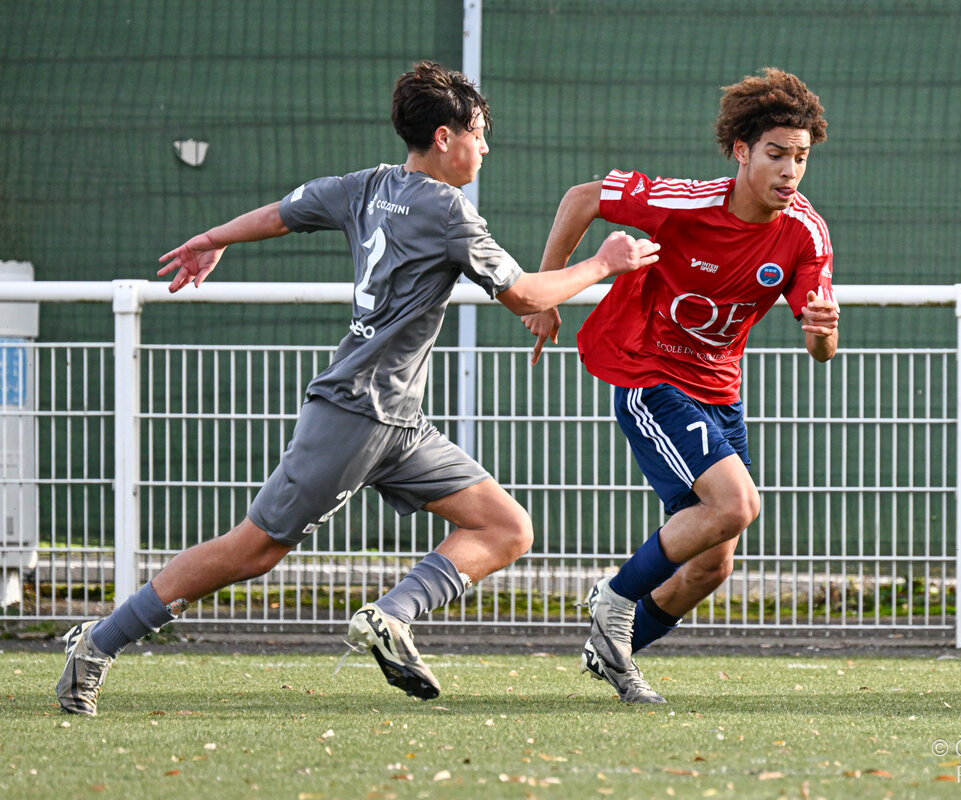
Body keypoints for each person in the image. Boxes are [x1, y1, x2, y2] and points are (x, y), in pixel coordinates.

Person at [56, 60, 659, 716]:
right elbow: (524, 294)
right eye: (479, 133)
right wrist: (604, 261)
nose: (485, 146)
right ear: (444, 137)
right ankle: (98, 643)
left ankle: (391, 616)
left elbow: (282, 213)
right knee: (251, 550)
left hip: (399, 423)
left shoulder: (367, 186)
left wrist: (213, 237)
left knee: (506, 527)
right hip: (356, 414)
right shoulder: (446, 211)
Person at [523, 67, 839, 703]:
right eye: (775, 154)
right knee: (737, 505)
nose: (789, 172)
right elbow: (582, 198)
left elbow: (821, 350)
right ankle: (613, 599)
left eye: (800, 158)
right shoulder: (685, 203)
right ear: (741, 150)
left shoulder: (805, 232)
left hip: (720, 392)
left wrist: (822, 331)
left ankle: (613, 652)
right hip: (650, 373)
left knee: (713, 563)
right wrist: (545, 293)